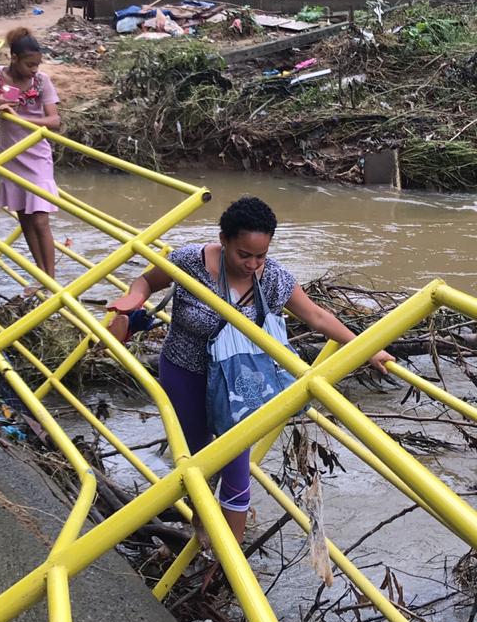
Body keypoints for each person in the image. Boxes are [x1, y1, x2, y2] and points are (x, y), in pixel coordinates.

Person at [106, 197, 394, 544]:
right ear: (224, 239)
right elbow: (148, 281)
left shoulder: (273, 279)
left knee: (236, 468)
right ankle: (203, 533)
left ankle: (231, 559)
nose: (253, 265)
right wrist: (133, 299)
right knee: (198, 461)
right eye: (244, 254)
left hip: (238, 383)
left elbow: (317, 316)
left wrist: (367, 349)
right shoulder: (190, 260)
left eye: (261, 255)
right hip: (185, 371)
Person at [0, 26, 61, 283]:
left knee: (41, 220)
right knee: (26, 219)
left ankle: (51, 282)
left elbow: (55, 120)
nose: (34, 70)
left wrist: (24, 119)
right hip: (11, 152)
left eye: (37, 65)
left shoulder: (42, 82)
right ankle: (40, 276)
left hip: (37, 153)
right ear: (14, 58)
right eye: (30, 64)